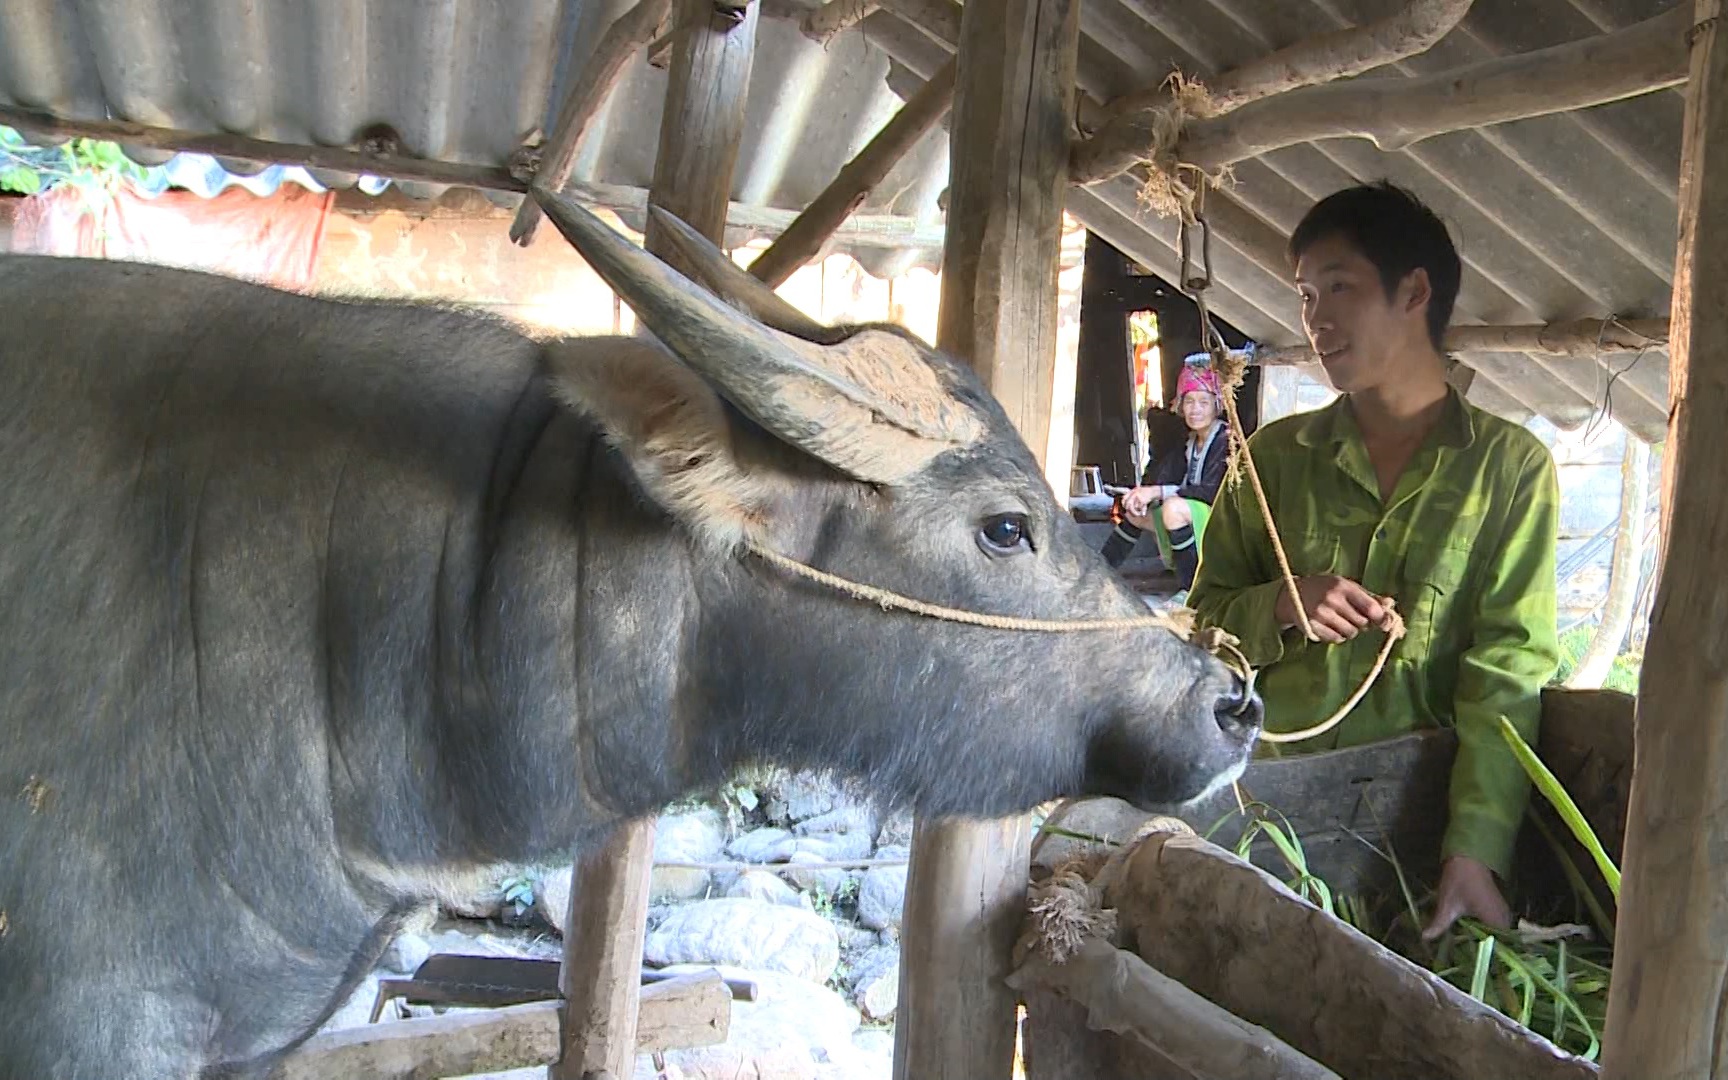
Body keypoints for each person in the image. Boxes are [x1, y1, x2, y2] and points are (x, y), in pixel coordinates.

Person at [1186, 181, 1560, 940]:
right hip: (1263, 820)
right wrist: (1282, 605)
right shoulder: (1273, 461)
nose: (1315, 318)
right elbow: (1200, 625)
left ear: (1414, 291)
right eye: (1304, 295)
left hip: (1411, 839)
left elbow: (1507, 675)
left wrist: (1476, 849)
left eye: (1339, 287)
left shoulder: (1509, 471)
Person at [1100, 358, 1231, 593]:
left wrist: (1157, 492)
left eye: (1204, 402)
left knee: (1173, 509)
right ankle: (1098, 571)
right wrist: (1143, 495)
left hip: (1223, 523)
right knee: (1134, 511)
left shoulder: (1226, 440)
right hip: (1197, 517)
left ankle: (1191, 590)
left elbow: (1212, 491)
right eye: (1189, 401)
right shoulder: (1188, 441)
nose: (1196, 409)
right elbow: (1168, 480)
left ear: (1217, 405)